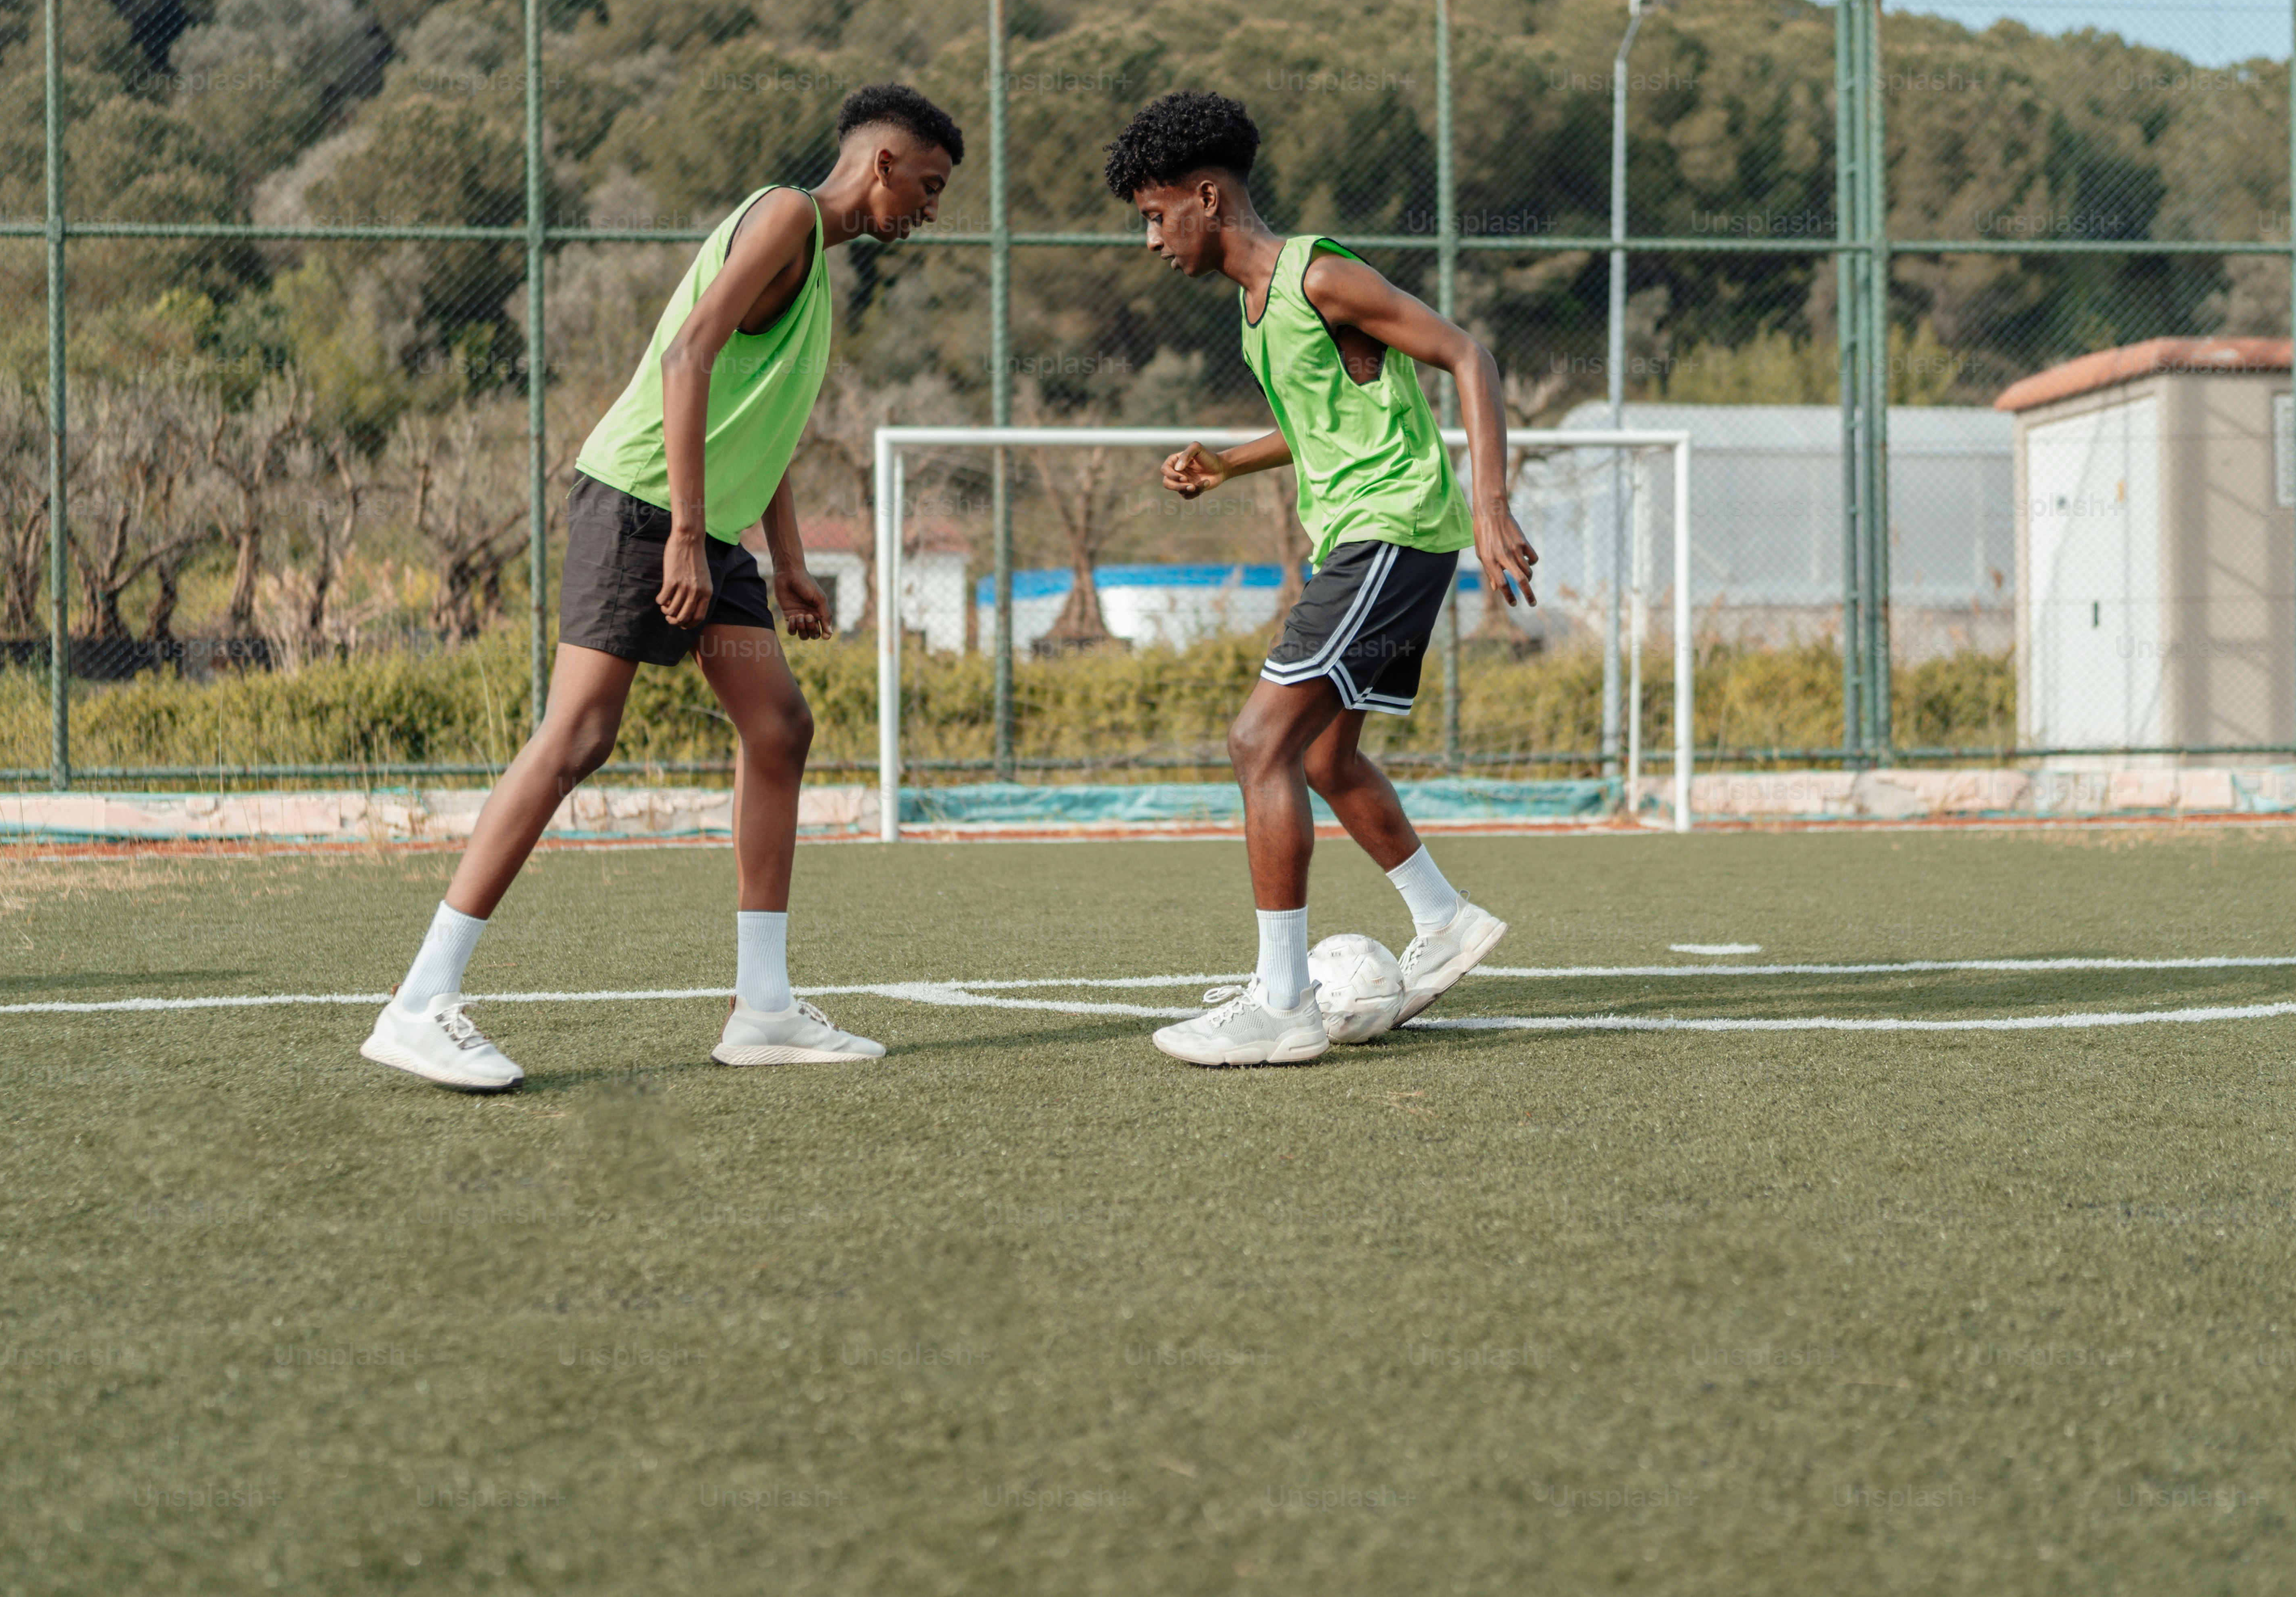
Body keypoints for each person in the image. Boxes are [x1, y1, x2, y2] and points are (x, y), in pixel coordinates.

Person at [359, 82, 964, 1090]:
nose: (933, 211)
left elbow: (754, 423)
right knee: (578, 737)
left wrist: (790, 560)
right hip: (643, 505)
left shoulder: (818, 275)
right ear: (884, 164)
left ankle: (763, 1008)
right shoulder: (783, 216)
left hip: (711, 532)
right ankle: (420, 999)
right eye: (932, 187)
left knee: (778, 726)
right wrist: (684, 530)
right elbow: (689, 356)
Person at [1102, 89, 1531, 1067]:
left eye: (1156, 215)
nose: (1153, 239)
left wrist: (1492, 502)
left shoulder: (1320, 276)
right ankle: (1447, 919)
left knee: (1258, 739)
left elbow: (1468, 353)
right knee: (1326, 757)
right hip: (1365, 538)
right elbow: (1316, 425)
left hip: (1390, 533)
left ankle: (1283, 1001)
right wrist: (1225, 464)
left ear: (1207, 197)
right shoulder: (1256, 316)